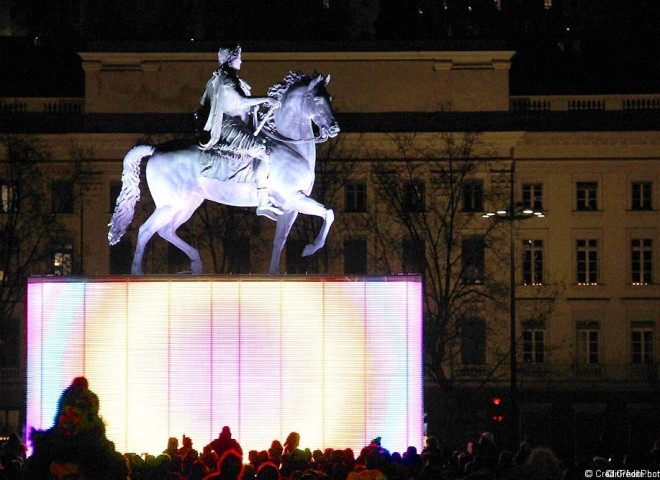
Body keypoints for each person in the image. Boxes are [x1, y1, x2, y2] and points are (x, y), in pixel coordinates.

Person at [197, 44, 282, 219]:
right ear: (231, 59)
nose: (241, 60)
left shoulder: (226, 77)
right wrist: (267, 99)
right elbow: (241, 101)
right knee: (264, 152)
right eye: (238, 57)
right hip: (229, 127)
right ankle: (263, 201)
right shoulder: (227, 78)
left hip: (234, 124)